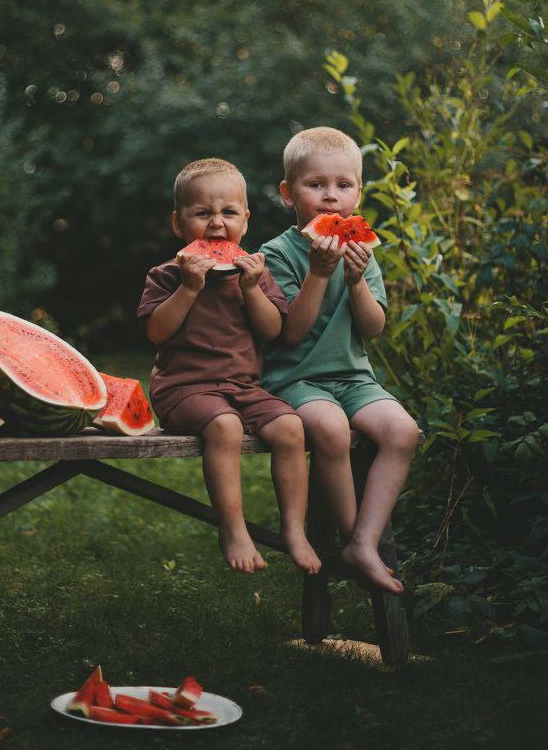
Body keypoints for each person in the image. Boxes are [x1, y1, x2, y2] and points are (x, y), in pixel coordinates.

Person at [138, 157, 321, 576]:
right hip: (184, 390)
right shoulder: (167, 275)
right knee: (226, 428)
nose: (217, 223)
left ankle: (294, 529)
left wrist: (253, 287)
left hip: (243, 390)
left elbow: (273, 329)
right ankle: (233, 528)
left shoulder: (255, 273)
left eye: (228, 212)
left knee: (292, 428)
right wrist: (188, 288)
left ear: (246, 220)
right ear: (178, 224)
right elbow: (156, 333)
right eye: (202, 213)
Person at [259, 128, 419, 594]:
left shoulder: (363, 252)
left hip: (353, 377)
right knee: (329, 429)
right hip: (295, 380)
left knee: (402, 431)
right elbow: (291, 332)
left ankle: (362, 541)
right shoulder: (276, 254)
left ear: (359, 193)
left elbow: (373, 328)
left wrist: (354, 282)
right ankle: (357, 542)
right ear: (289, 194)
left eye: (343, 185)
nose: (331, 197)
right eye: (315, 185)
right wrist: (318, 273)